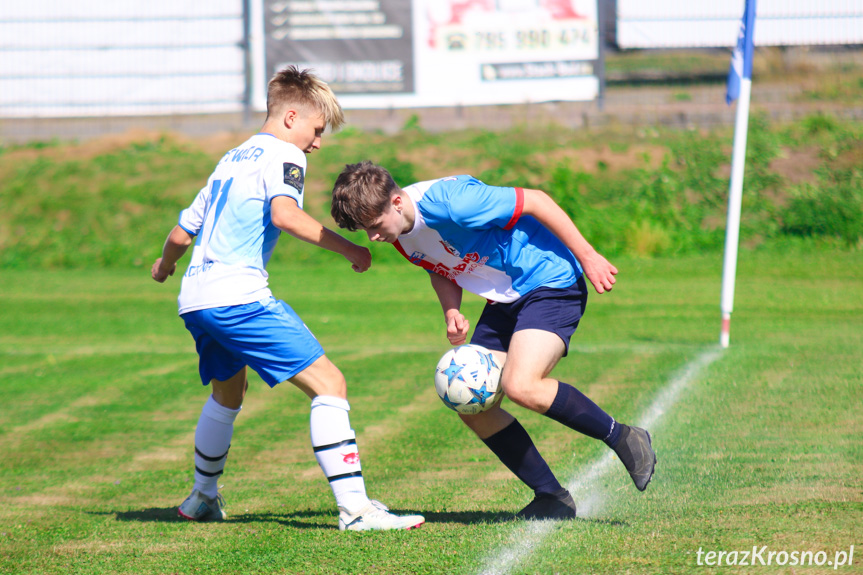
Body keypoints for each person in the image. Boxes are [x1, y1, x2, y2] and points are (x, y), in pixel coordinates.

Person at [150, 68, 424, 531]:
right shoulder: (283, 156)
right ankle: (356, 511)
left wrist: (164, 265)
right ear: (292, 115)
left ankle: (202, 497)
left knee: (227, 395)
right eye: (318, 130)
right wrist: (350, 248)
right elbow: (285, 215)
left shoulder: (230, 159)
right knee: (330, 384)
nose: (318, 143)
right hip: (238, 296)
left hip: (196, 297)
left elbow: (182, 232)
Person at [330, 161, 656, 520]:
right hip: (506, 298)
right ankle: (551, 496)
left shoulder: (451, 203)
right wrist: (451, 311)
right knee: (469, 401)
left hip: (549, 279)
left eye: (374, 226)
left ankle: (623, 436)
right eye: (365, 231)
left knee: (522, 385)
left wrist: (588, 255)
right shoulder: (399, 231)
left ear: (396, 201)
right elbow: (437, 266)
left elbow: (536, 200)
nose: (373, 237)